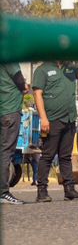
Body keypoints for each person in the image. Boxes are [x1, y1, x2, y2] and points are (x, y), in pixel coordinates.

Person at [32, 60, 78, 203]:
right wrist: (44, 119)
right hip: (52, 120)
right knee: (47, 156)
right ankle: (42, 191)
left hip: (69, 119)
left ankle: (69, 190)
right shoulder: (42, 70)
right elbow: (37, 94)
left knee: (65, 157)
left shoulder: (70, 69)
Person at [0, 62, 29, 205]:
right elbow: (19, 79)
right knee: (6, 152)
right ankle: (3, 192)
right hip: (10, 110)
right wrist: (24, 87)